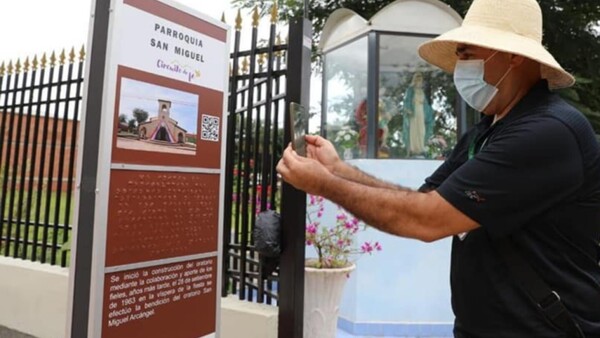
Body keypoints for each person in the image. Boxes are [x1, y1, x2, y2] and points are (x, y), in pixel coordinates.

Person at [276, 0, 600, 337]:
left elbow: (427, 219)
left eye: (466, 52)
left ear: (513, 55)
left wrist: (326, 185)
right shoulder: (489, 129)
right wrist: (337, 170)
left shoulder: (547, 131)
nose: (460, 66)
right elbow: (426, 198)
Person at [402, 72, 434, 157]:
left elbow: (426, 104)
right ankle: (414, 149)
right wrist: (408, 109)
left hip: (421, 112)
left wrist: (432, 112)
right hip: (414, 111)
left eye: (421, 81)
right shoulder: (410, 90)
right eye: (418, 80)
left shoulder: (422, 91)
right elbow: (407, 101)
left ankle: (421, 148)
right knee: (414, 130)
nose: (420, 82)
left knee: (422, 130)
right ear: (415, 81)